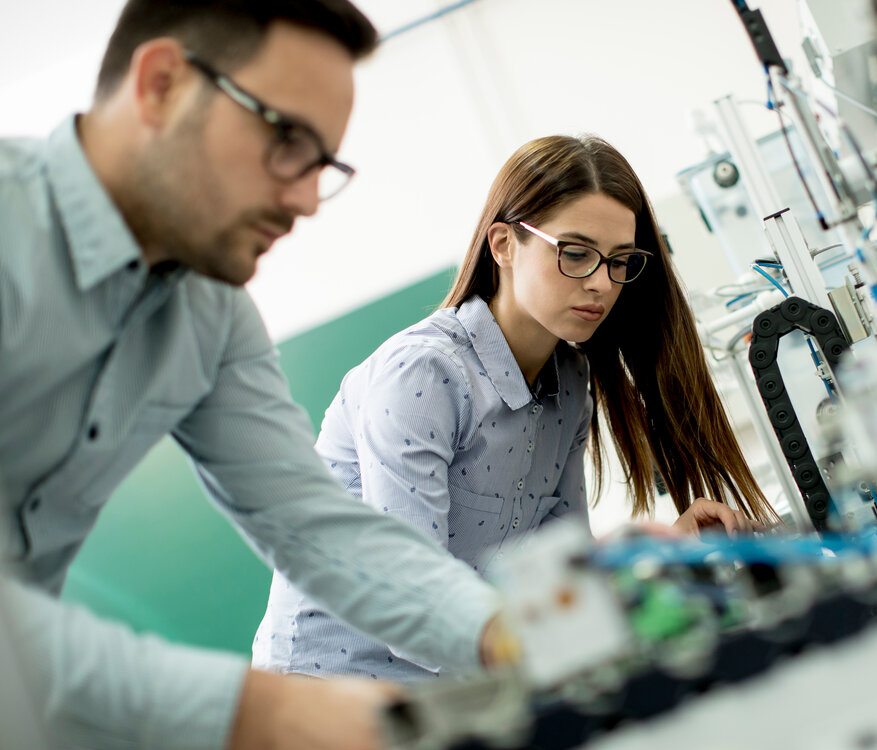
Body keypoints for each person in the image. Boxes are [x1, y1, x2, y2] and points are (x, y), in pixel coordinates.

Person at [0, 2, 510, 748]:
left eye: (322, 165)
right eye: (287, 141)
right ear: (162, 84)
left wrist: (512, 633)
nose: (305, 200)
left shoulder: (211, 314)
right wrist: (260, 710)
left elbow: (315, 527)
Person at [253, 135, 779, 681]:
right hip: (326, 694)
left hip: (455, 685)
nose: (601, 282)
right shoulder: (425, 375)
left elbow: (563, 576)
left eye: (620, 261)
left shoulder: (571, 387)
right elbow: (413, 611)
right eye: (575, 253)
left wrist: (660, 560)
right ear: (503, 244)